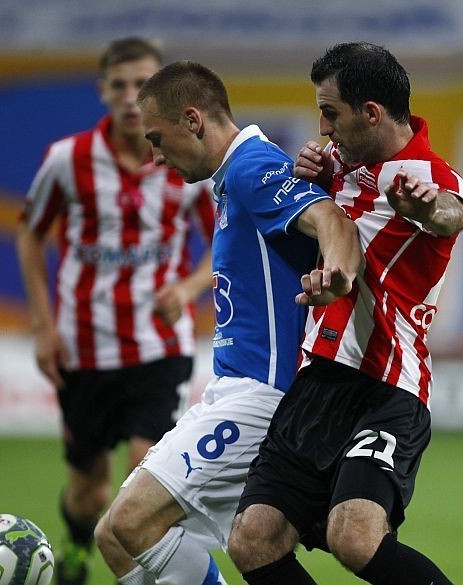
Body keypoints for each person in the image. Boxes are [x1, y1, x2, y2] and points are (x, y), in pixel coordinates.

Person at [92, 60, 362, 585]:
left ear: (193, 119)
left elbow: (330, 218)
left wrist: (335, 275)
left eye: (158, 139)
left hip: (261, 395)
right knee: (115, 537)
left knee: (130, 522)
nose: (155, 157)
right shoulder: (230, 180)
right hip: (231, 390)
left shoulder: (250, 167)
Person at [227, 42, 463, 585]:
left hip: (387, 388)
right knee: (252, 539)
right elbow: (318, 216)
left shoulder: (432, 178)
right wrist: (306, 176)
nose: (323, 127)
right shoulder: (338, 163)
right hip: (319, 380)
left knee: (354, 536)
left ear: (373, 114)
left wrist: (425, 207)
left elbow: (451, 214)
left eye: (331, 112)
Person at [16, 38, 216, 585]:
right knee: (89, 491)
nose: (132, 96)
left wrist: (192, 285)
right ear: (103, 90)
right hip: (84, 345)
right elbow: (30, 237)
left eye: (143, 84)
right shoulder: (67, 160)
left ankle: (149, 576)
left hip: (159, 345)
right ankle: (77, 546)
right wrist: (42, 328)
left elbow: (226, 238)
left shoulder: (186, 158)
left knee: (142, 477)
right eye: (121, 84)